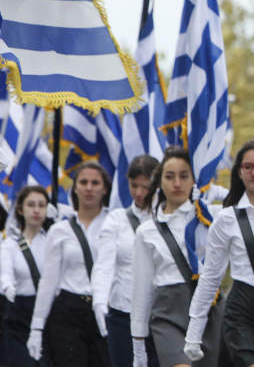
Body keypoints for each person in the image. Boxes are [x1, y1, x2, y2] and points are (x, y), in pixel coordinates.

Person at [184, 140, 254, 367]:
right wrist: (193, 333)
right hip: (242, 313)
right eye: (248, 167)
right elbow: (210, 277)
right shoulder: (226, 219)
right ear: (240, 172)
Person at [131, 147, 223, 367]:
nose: (177, 184)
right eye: (170, 177)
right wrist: (138, 342)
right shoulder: (147, 231)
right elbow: (142, 288)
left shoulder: (213, 217)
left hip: (208, 307)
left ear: (194, 179)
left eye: (184, 176)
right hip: (168, 311)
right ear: (160, 181)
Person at [28, 161, 113, 366]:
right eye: (83, 182)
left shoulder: (115, 223)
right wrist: (36, 327)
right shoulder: (60, 230)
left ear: (105, 189)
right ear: (75, 188)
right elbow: (48, 282)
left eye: (95, 182)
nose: (89, 188)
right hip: (68, 311)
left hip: (106, 310)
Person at [92, 155, 160, 367]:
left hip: (159, 314)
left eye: (145, 186)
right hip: (123, 314)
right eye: (133, 185)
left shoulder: (166, 219)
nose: (139, 193)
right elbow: (104, 265)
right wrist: (99, 300)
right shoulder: (116, 219)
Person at [1, 186, 50, 366]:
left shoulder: (52, 241)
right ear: (21, 210)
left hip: (47, 313)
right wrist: (7, 285)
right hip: (19, 314)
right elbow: (5, 271)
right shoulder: (10, 245)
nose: (36, 210)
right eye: (31, 205)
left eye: (41, 205)